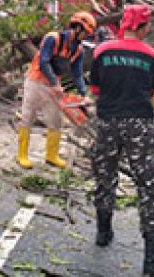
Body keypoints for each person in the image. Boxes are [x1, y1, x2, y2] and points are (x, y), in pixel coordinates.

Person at [88, 4, 154, 276]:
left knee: (105, 173)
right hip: (139, 122)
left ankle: (103, 231)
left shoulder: (102, 51)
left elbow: (96, 87)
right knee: (148, 183)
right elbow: (152, 90)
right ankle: (152, 258)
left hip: (107, 120)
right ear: (144, 27)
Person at [16, 11, 96, 170]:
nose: (86, 36)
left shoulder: (78, 50)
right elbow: (45, 62)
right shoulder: (53, 38)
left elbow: (77, 73)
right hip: (35, 81)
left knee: (55, 121)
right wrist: (54, 83)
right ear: (78, 27)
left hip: (53, 86)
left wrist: (83, 94)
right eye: (85, 32)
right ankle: (22, 155)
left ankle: (51, 155)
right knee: (28, 116)